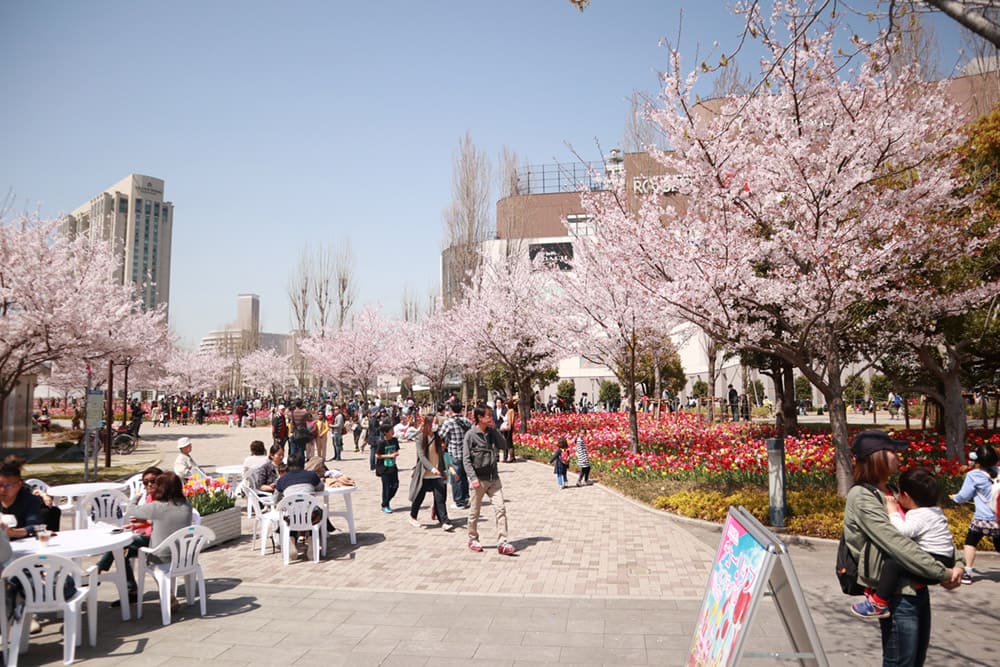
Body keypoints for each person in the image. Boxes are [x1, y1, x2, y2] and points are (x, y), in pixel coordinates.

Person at [841, 430, 963, 666]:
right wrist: (943, 573)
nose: (899, 457)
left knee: (914, 661)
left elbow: (933, 528)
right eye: (893, 452)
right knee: (901, 663)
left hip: (917, 589)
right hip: (896, 596)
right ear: (877, 457)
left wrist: (956, 562)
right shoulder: (863, 497)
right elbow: (897, 544)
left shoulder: (892, 493)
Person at [851, 468, 956, 620]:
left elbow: (902, 532)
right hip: (946, 558)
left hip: (934, 561)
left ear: (906, 496)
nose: (897, 496)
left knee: (893, 564)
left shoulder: (919, 515)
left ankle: (878, 603)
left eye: (899, 493)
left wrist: (892, 511)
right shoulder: (935, 511)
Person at [98, 467, 162, 605]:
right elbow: (150, 523)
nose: (149, 485)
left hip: (158, 542)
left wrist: (141, 519)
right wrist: (135, 526)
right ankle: (131, 591)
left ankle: (98, 570)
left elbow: (159, 523)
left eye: (152, 481)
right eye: (145, 482)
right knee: (119, 552)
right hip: (147, 539)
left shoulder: (164, 499)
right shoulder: (150, 498)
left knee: (124, 542)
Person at [462, 405, 516, 555]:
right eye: (487, 415)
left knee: (501, 509)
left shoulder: (492, 432)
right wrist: (473, 478)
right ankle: (473, 538)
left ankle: (503, 542)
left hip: (493, 478)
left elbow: (504, 445)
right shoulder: (470, 435)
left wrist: (496, 431)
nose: (490, 417)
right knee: (475, 512)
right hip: (478, 479)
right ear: (479, 418)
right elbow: (466, 460)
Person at [949, 443, 999, 584]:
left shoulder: (973, 475)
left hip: (982, 520)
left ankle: (968, 573)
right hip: (998, 519)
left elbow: (964, 495)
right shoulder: (999, 471)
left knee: (971, 542)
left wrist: (955, 498)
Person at [127, 472, 194, 577]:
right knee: (128, 547)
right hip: (184, 556)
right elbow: (167, 522)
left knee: (125, 546)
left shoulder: (157, 507)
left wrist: (137, 496)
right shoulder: (187, 506)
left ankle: (130, 588)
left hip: (161, 557)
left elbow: (131, 510)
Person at [407, 415, 455, 531]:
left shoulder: (437, 437)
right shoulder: (419, 438)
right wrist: (431, 468)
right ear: (428, 423)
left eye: (437, 423)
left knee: (440, 497)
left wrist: (442, 470)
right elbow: (422, 457)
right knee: (419, 496)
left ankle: (444, 520)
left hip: (437, 473)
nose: (436, 425)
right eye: (434, 423)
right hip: (425, 473)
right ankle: (413, 517)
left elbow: (441, 455)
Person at [439, 400, 471, 510]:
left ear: (451, 410)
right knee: (464, 476)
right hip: (466, 453)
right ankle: (466, 498)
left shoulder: (449, 422)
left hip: (454, 452)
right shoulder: (467, 421)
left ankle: (459, 501)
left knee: (456, 477)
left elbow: (441, 435)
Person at [0, 460, 45, 538]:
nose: (3, 490)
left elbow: (34, 526)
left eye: (9, 485)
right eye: (0, 485)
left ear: (19, 485)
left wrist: (13, 532)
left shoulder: (30, 500)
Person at [375, 423, 400, 513]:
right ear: (386, 432)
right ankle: (385, 505)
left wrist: (395, 453)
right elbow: (377, 455)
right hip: (384, 468)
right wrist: (390, 455)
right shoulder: (381, 442)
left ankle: (385, 502)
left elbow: (396, 449)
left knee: (395, 485)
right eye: (391, 430)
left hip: (393, 466)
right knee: (386, 487)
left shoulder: (394, 440)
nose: (393, 432)